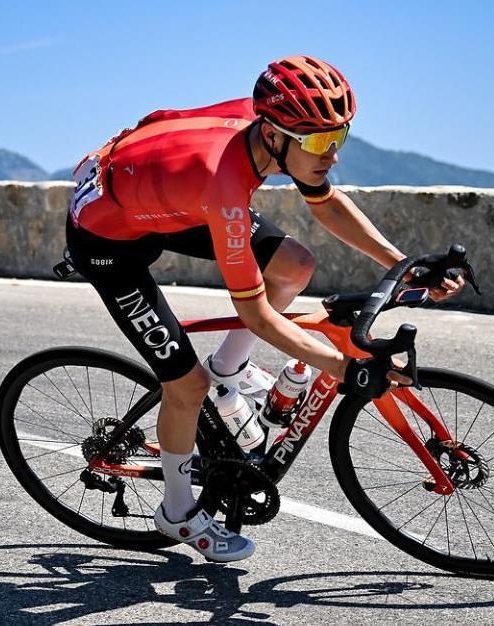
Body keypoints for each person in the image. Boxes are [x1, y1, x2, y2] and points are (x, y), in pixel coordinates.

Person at [65, 55, 464, 562]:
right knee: (186, 386)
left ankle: (228, 370)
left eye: (339, 138)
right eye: (320, 143)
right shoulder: (227, 186)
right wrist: (345, 368)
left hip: (160, 192)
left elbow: (324, 199)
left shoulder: (269, 130)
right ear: (275, 135)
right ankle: (179, 512)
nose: (332, 154)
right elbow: (257, 315)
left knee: (294, 264)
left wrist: (404, 265)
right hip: (107, 238)